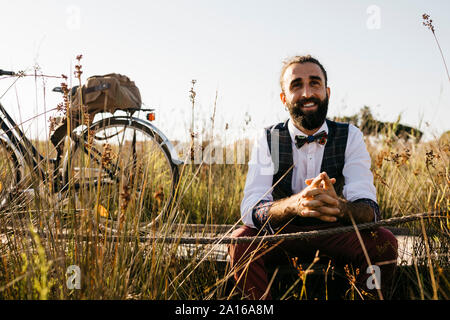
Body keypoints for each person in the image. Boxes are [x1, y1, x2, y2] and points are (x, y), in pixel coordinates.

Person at [228, 55, 398, 300]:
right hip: (281, 237)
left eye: (315, 83)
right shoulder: (268, 139)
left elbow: (369, 210)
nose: (307, 93)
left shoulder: (350, 136)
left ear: (327, 92)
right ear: (284, 98)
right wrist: (295, 205)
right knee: (241, 241)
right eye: (297, 85)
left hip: (334, 235)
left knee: (385, 242)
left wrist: (339, 208)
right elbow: (251, 209)